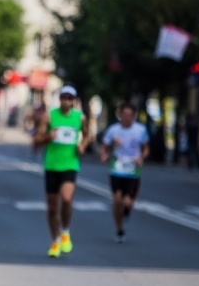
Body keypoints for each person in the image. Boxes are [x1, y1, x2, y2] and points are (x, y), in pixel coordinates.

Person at [33, 85, 90, 257]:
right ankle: (55, 241)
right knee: (52, 207)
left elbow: (87, 135)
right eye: (64, 97)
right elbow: (37, 140)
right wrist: (48, 137)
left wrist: (82, 146)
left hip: (70, 164)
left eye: (70, 98)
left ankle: (65, 231)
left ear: (74, 100)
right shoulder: (49, 117)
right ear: (60, 99)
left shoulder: (80, 118)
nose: (66, 101)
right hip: (51, 165)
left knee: (66, 199)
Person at [99, 102, 149, 243]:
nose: (127, 118)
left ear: (134, 116)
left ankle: (127, 209)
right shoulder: (113, 130)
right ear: (120, 115)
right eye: (125, 115)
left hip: (133, 170)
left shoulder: (140, 130)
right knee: (117, 200)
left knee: (127, 202)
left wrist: (142, 157)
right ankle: (119, 229)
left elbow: (146, 148)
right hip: (117, 168)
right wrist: (104, 154)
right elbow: (104, 147)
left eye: (130, 115)